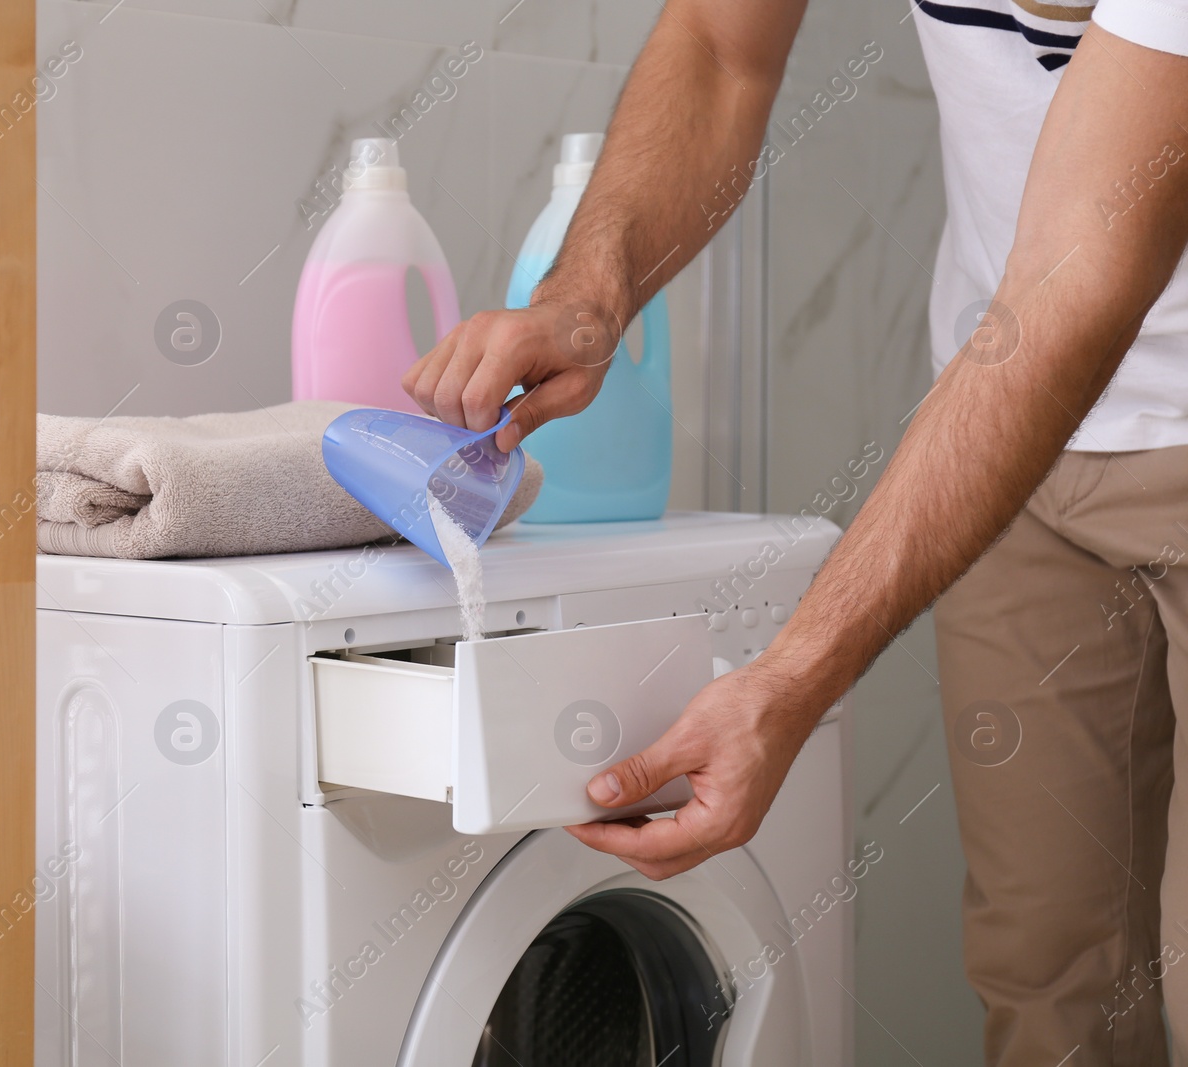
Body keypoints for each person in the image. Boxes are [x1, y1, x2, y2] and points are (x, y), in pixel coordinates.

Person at [402, 0, 1188, 1061]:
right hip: (1018, 459)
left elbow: (1070, 289)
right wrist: (589, 295)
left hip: (1055, 356)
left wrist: (792, 676)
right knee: (1046, 979)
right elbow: (722, 48)